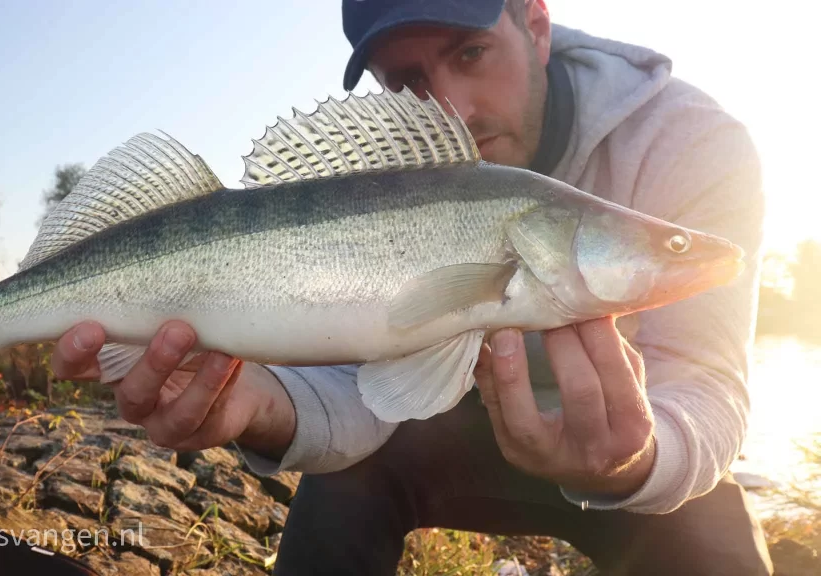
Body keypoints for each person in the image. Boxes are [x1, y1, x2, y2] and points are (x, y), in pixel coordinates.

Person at [50, 0, 773, 573]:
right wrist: (259, 403)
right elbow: (365, 397)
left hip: (626, 454)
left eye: (470, 52)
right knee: (338, 495)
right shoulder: (372, 177)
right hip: (425, 433)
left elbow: (708, 391)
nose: (452, 107)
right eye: (405, 82)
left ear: (537, 23)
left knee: (708, 532)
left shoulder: (692, 142)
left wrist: (641, 462)